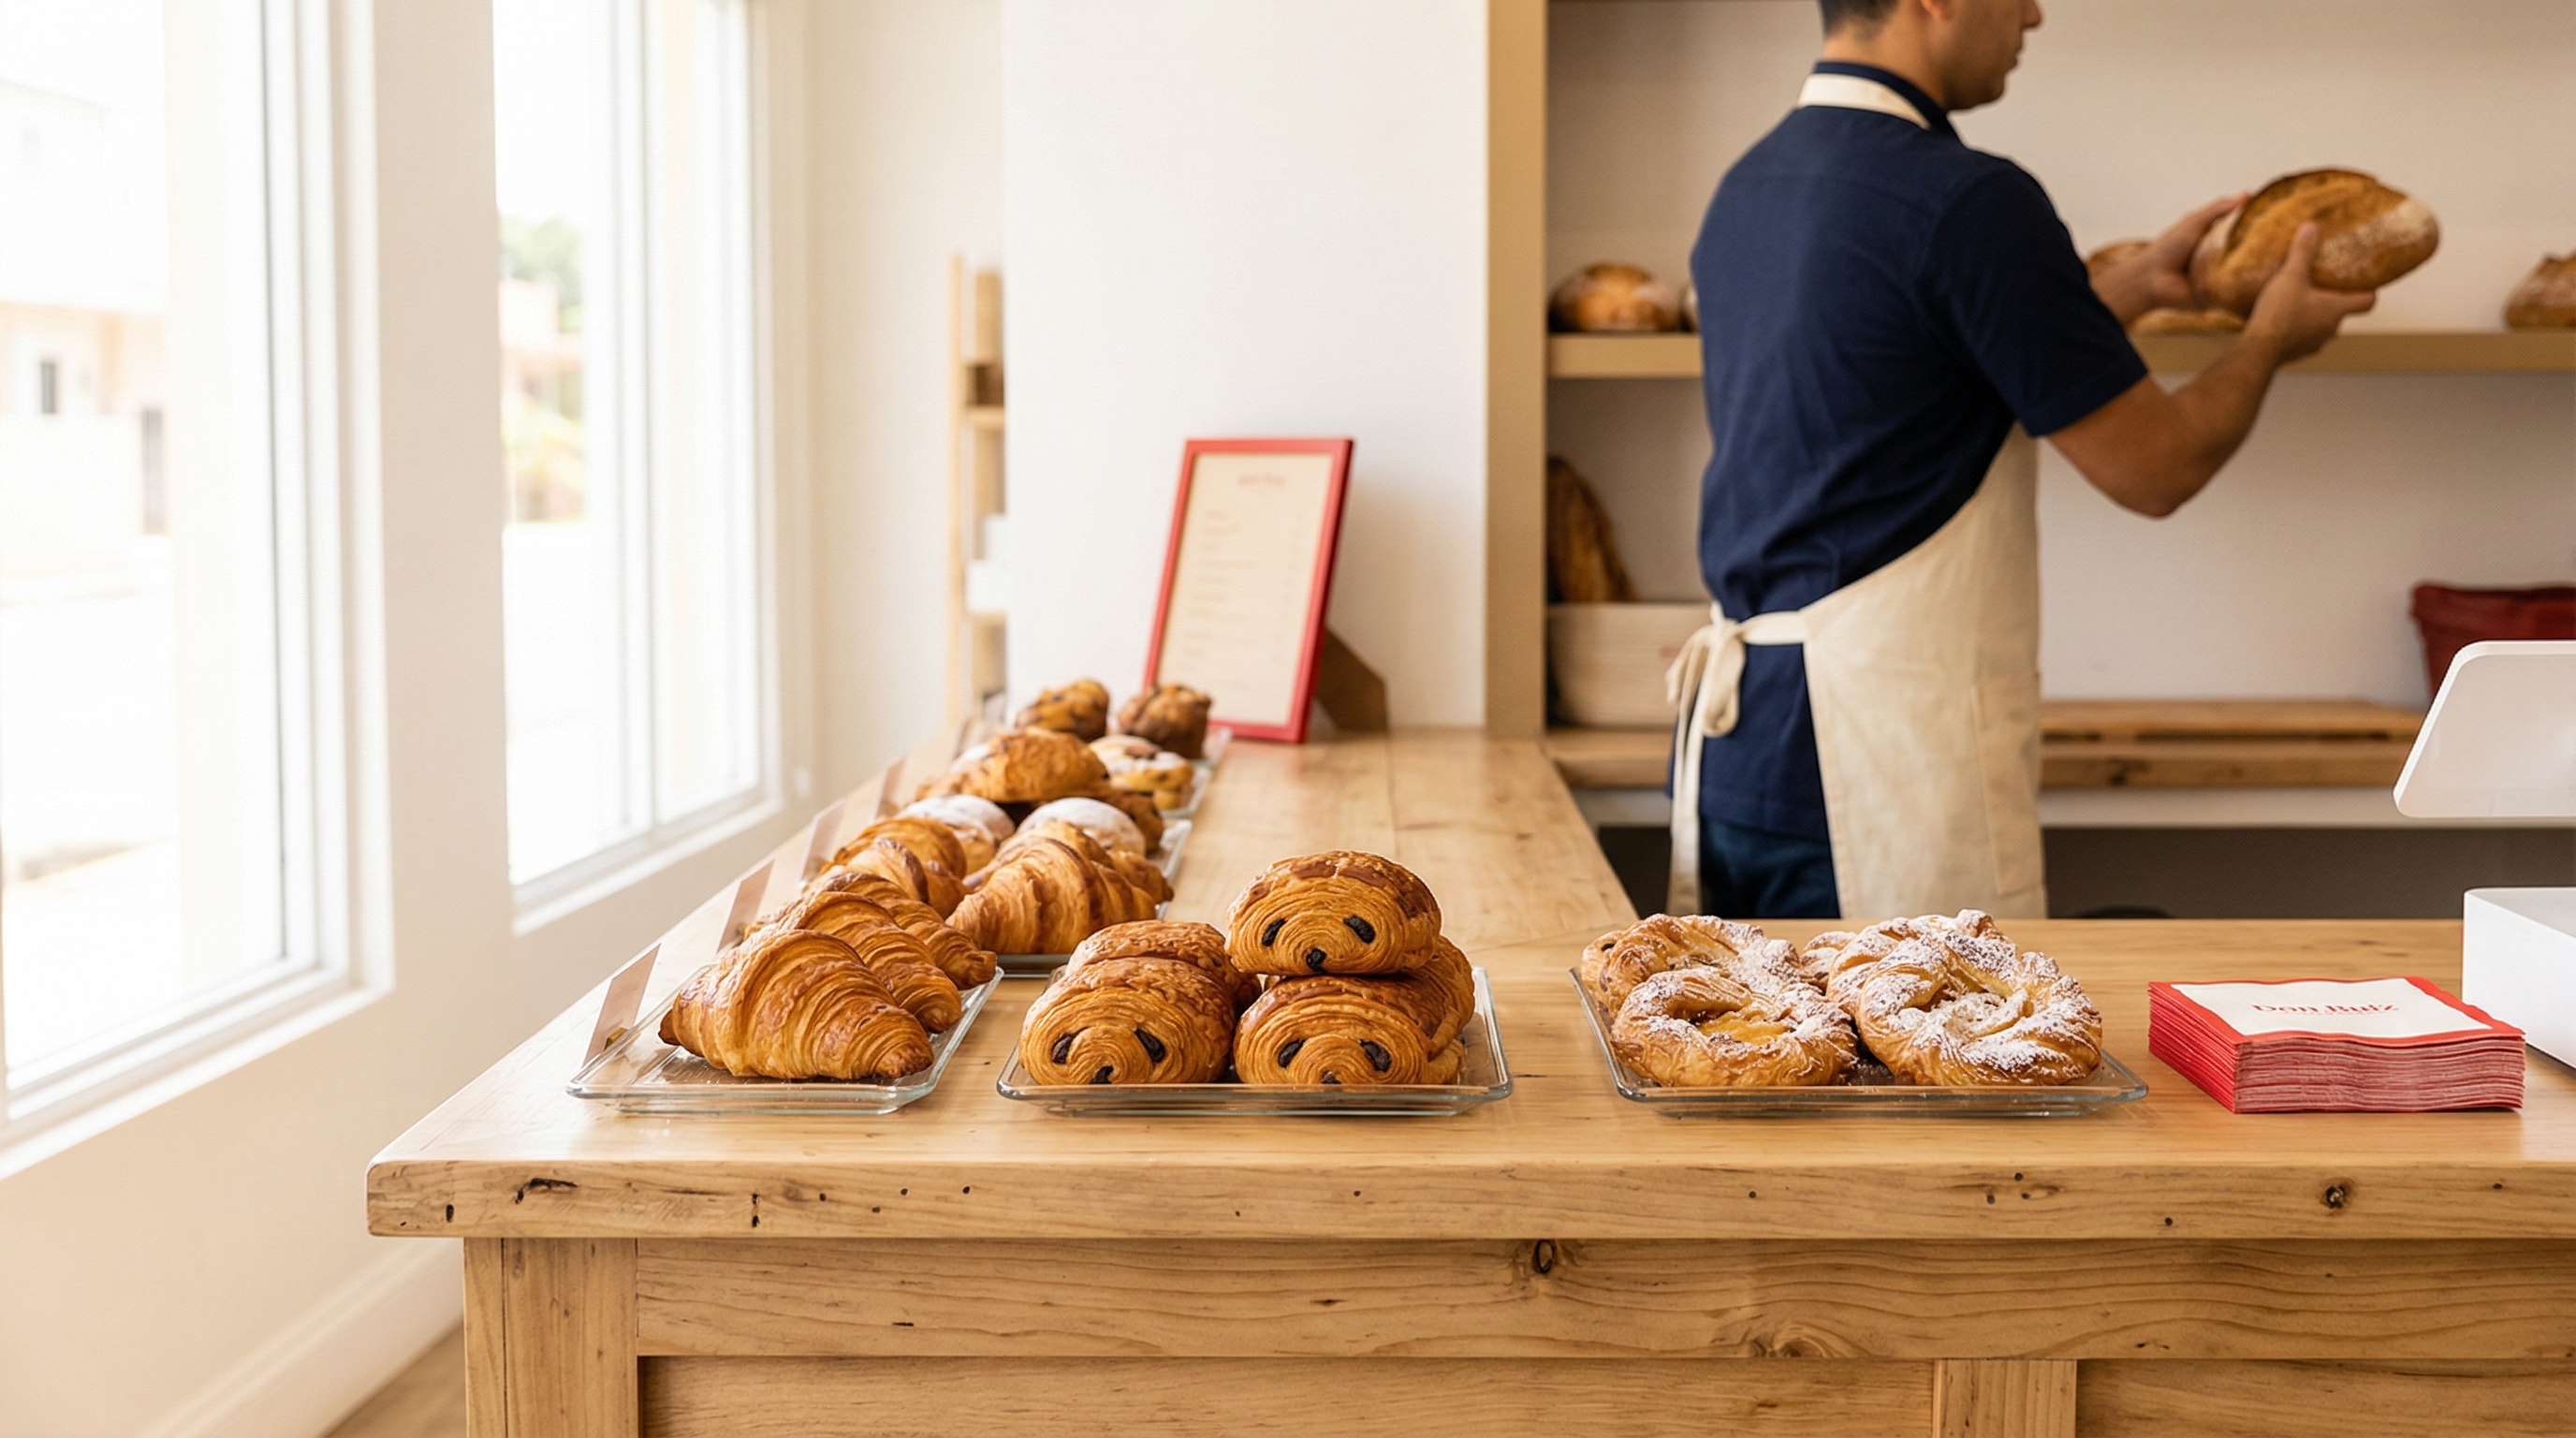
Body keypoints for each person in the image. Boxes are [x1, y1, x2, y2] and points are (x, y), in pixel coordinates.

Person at [1668, 0, 2373, 920]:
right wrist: (2270, 340)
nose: (2035, 13)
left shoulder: (1751, 184)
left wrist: (2119, 291)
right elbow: (2156, 468)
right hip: (1872, 771)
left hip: (1738, 754)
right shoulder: (1968, 201)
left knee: (1756, 1020)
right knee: (1925, 1021)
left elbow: (1918, 368)